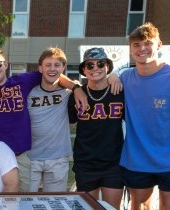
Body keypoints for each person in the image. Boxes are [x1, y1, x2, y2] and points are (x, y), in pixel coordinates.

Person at [0, 48, 89, 192]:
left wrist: (76, 88)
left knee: (25, 201)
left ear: (6, 64)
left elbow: (53, 74)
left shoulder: (23, 82)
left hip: (23, 156)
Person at [118, 22, 170, 210]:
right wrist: (112, 76)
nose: (142, 49)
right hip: (137, 158)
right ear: (131, 50)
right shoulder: (124, 77)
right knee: (139, 206)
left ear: (159, 45)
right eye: (136, 45)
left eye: (147, 43)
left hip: (168, 158)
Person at [68, 47, 124, 209]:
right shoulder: (77, 95)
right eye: (90, 65)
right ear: (84, 70)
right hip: (85, 164)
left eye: (100, 64)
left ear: (107, 66)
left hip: (114, 164)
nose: (95, 69)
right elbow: (69, 123)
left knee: (111, 209)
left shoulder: (119, 91)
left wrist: (115, 77)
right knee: (88, 208)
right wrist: (76, 88)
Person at [27, 47, 72, 192]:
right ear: (40, 68)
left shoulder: (69, 93)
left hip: (58, 158)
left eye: (57, 65)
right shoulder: (28, 93)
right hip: (30, 157)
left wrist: (76, 87)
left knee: (55, 203)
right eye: (48, 65)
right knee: (25, 202)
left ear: (63, 68)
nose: (52, 69)